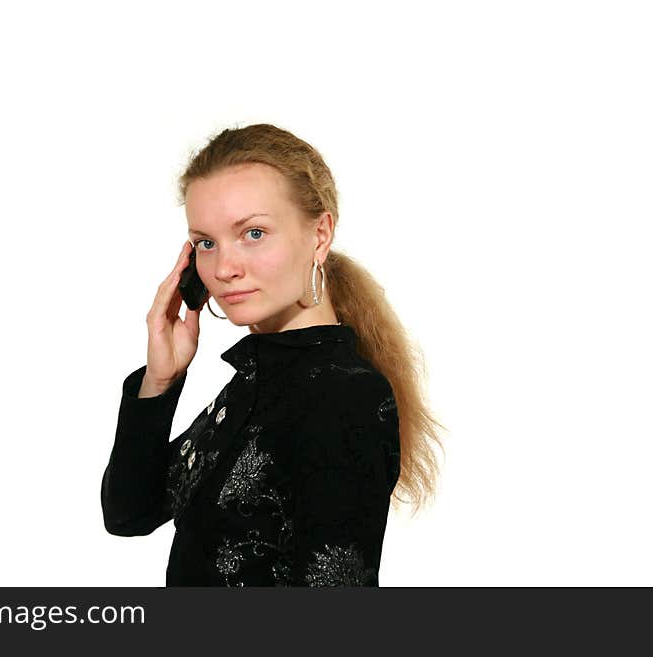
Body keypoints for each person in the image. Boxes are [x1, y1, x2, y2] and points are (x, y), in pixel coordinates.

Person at [101, 123, 443, 586]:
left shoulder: (342, 397)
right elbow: (129, 513)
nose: (224, 268)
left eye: (254, 233)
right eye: (206, 242)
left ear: (320, 234)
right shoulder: (256, 381)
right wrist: (160, 382)